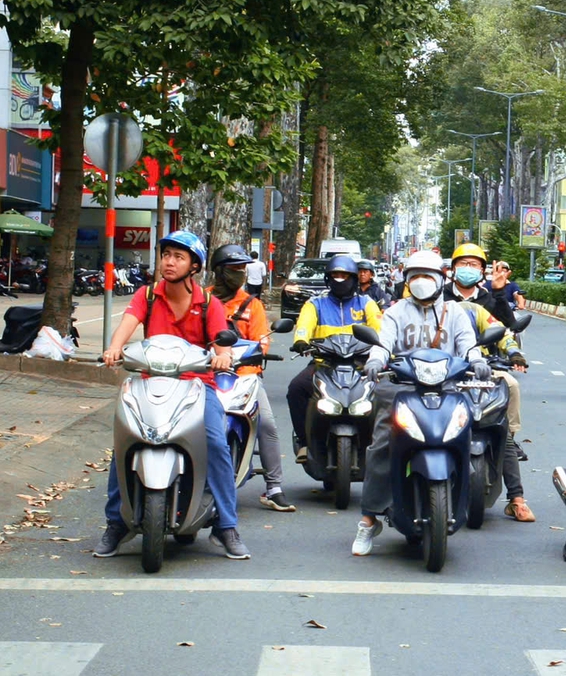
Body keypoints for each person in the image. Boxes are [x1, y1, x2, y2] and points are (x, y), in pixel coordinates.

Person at [94, 230, 249, 560]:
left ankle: (226, 525)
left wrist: (222, 356)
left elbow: (222, 345)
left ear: (195, 265)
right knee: (125, 440)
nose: (169, 262)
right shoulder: (147, 296)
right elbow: (128, 324)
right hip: (151, 382)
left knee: (216, 442)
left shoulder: (209, 304)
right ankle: (115, 523)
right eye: (166, 255)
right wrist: (114, 348)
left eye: (179, 257)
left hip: (197, 385)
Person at [352, 248, 482, 556]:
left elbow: (468, 344)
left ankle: (465, 497)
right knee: (383, 444)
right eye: (416, 276)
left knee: (467, 438)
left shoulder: (455, 312)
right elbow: (382, 344)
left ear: (440, 279)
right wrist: (375, 361)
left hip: (448, 389)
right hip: (402, 389)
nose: (422, 281)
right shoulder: (397, 312)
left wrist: (477, 360)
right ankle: (368, 520)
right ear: (408, 281)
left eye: (428, 275)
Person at [446, 243, 535, 522]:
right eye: (464, 264)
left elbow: (504, 329)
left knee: (509, 392)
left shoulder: (484, 303)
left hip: (484, 369)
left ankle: (517, 498)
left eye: (474, 265)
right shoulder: (438, 301)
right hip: (442, 372)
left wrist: (515, 353)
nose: (468, 270)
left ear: (482, 270)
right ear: (452, 269)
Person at [212, 243, 292, 513]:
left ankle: (274, 487)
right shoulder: (203, 300)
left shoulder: (252, 305)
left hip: (245, 375)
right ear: (219, 272)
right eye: (234, 270)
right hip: (207, 374)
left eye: (242, 270)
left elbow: (261, 342)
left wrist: (254, 355)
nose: (240, 274)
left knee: (267, 424)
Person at [285, 254, 384, 458]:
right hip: (324, 364)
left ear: (354, 279)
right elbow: (304, 325)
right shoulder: (315, 303)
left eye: (345, 275)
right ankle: (304, 441)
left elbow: (380, 329)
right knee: (296, 389)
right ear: (328, 279)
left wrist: (383, 348)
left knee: (385, 394)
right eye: (335, 275)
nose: (340, 279)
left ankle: (381, 444)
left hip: (361, 365)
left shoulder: (366, 303)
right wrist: (301, 341)